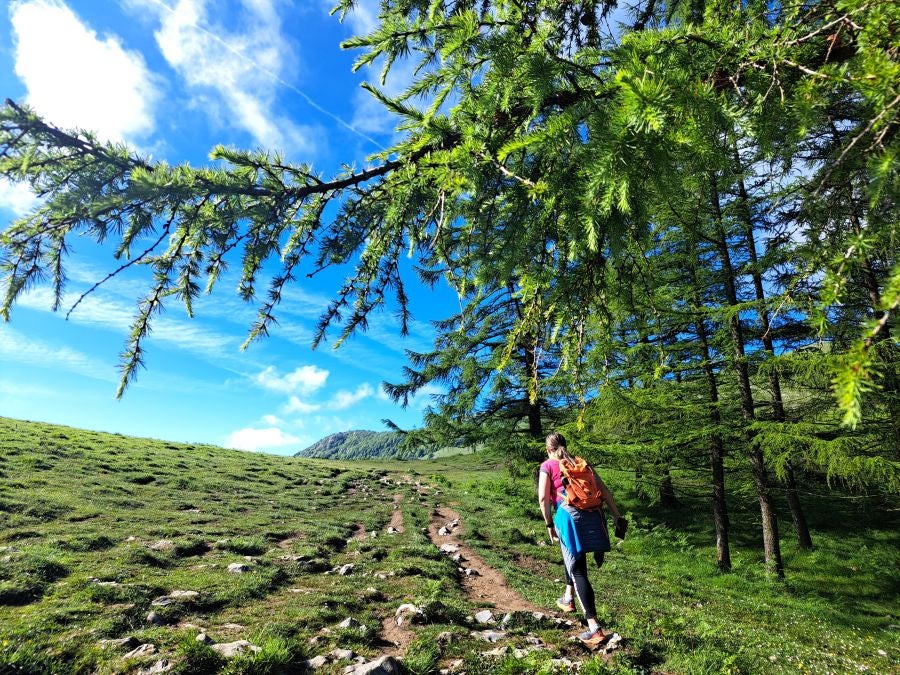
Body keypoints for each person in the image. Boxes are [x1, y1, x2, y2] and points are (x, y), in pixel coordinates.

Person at [537, 432, 624, 648]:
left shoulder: (548, 465)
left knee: (578, 569)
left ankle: (594, 628)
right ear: (565, 445)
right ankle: (568, 598)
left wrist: (549, 525)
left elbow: (542, 498)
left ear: (548, 449)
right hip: (593, 516)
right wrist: (616, 515)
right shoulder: (581, 463)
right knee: (574, 559)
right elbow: (603, 490)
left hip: (568, 517)